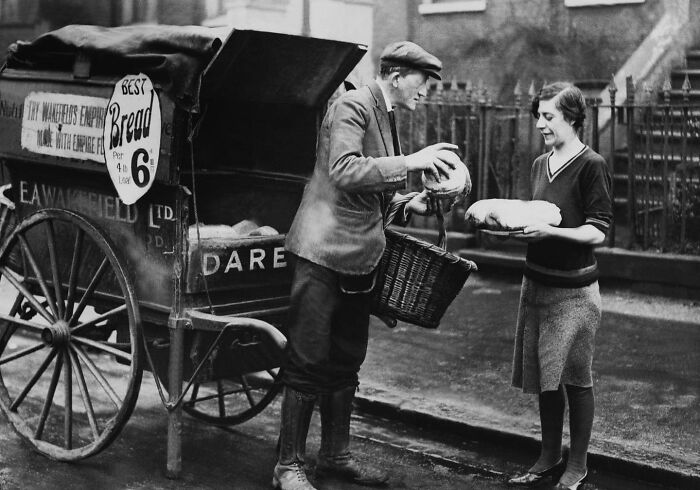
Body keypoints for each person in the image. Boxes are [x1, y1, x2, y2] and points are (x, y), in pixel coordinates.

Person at [273, 41, 459, 490]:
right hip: (322, 253)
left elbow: (368, 190)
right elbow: (343, 170)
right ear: (396, 75)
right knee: (308, 359)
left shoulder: (384, 111)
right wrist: (412, 162)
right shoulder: (353, 104)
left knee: (346, 359)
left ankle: (335, 457)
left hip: (358, 260)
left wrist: (409, 200)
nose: (426, 92)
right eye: (423, 83)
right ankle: (287, 467)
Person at [507, 82, 612, 490]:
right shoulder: (539, 164)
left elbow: (598, 231)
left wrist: (552, 233)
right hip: (536, 285)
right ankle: (549, 456)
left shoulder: (592, 165)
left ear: (572, 118)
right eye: (538, 115)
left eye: (548, 116)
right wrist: (519, 229)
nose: (540, 123)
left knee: (574, 376)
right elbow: (537, 217)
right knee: (544, 376)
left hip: (574, 293)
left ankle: (578, 464)